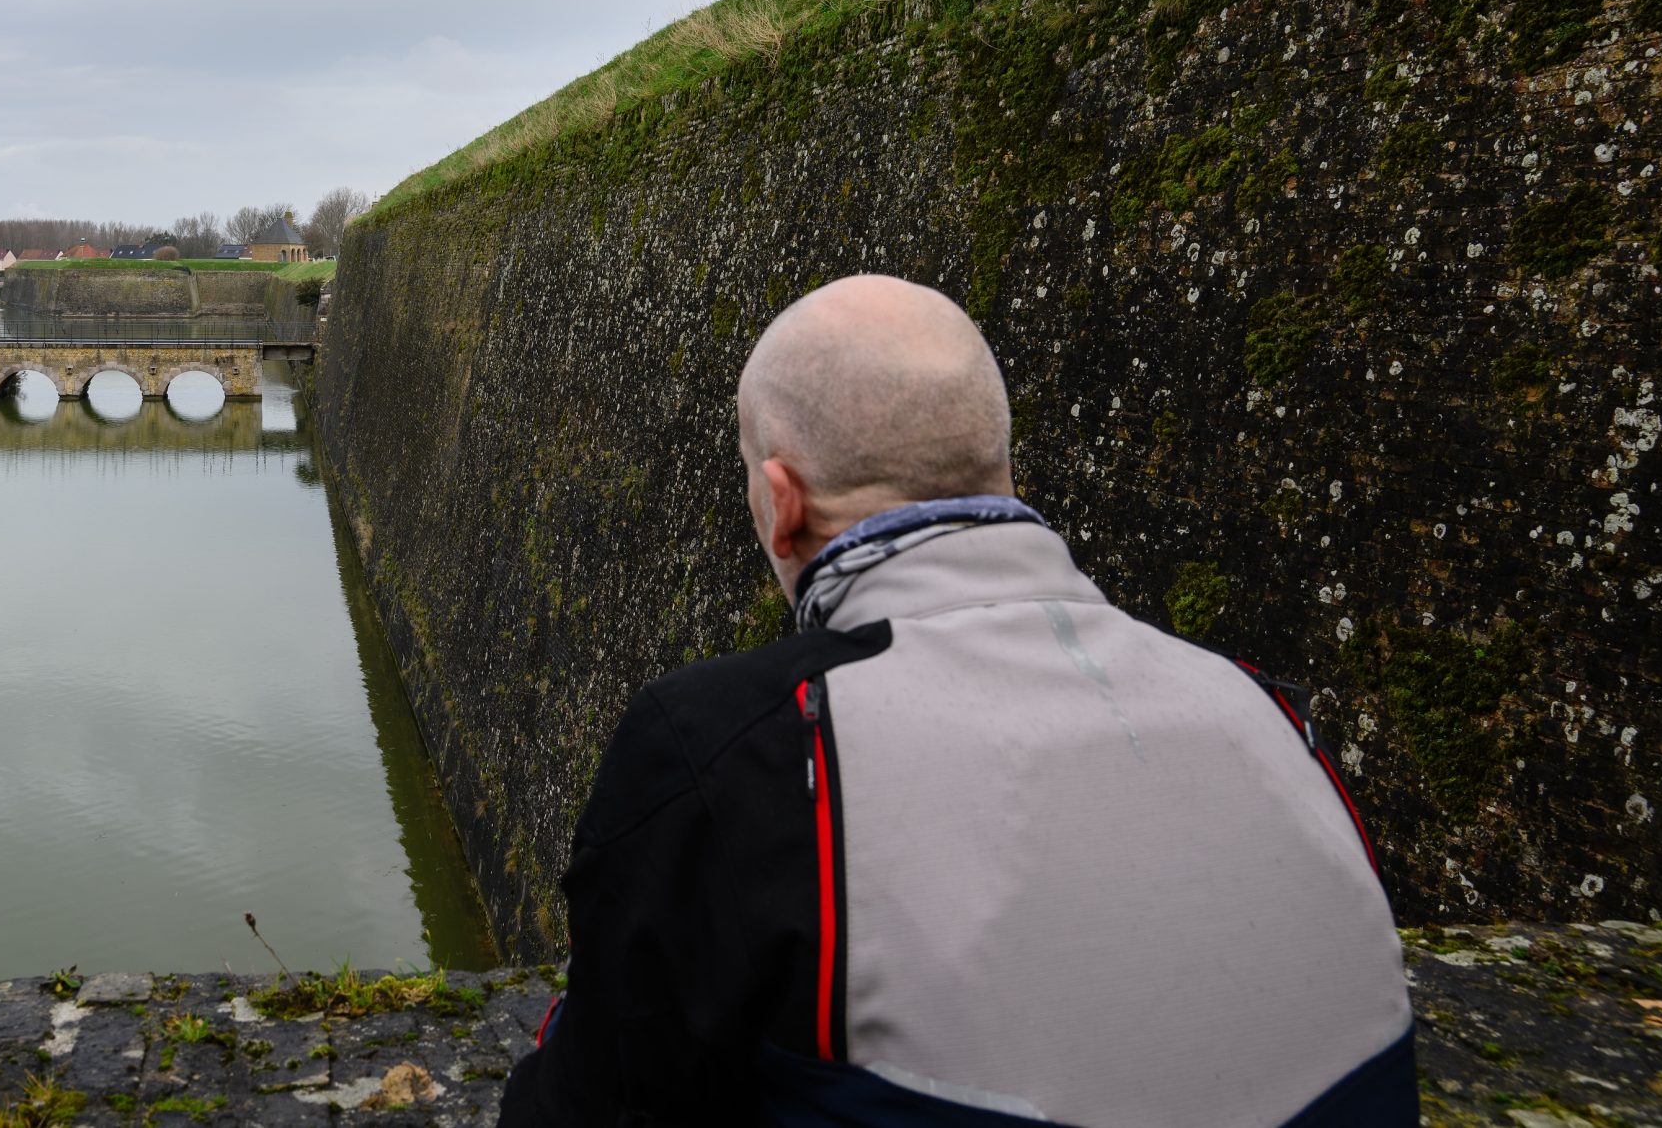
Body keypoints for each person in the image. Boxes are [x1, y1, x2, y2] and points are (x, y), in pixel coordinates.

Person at [499, 275, 1415, 1127]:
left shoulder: (733, 750)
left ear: (781, 501)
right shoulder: (1270, 712)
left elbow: (586, 1103)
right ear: (997, 466)